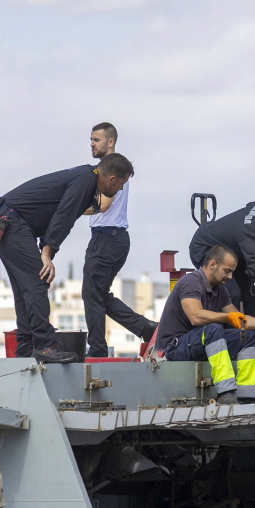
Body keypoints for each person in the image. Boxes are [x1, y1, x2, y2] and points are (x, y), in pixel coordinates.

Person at [0, 152, 134, 363]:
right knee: (38, 279)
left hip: (5, 219)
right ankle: (44, 345)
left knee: (24, 286)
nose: (119, 190)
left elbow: (61, 214)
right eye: (120, 184)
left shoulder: (86, 177)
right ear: (111, 179)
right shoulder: (86, 180)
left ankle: (26, 345)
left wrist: (47, 248)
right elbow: (64, 216)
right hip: (8, 220)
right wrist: (47, 252)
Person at [156, 245, 255, 404]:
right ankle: (226, 392)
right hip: (176, 347)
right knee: (214, 328)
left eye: (232, 272)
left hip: (200, 342)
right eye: (227, 271)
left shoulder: (220, 290)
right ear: (213, 264)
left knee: (251, 337)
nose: (230, 277)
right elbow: (195, 317)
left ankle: (247, 396)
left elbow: (239, 319)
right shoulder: (191, 282)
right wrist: (228, 317)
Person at [81, 122, 156, 357]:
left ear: (110, 141)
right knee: (99, 294)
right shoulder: (114, 167)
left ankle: (97, 349)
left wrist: (70, 208)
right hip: (114, 238)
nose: (92, 144)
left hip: (106, 237)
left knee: (92, 294)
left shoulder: (112, 170)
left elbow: (103, 205)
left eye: (96, 140)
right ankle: (145, 328)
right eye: (91, 140)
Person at [188, 200, 255, 323]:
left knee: (249, 294)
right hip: (205, 248)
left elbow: (250, 205)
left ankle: (249, 332)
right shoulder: (252, 240)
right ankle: (229, 332)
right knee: (231, 294)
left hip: (235, 251)